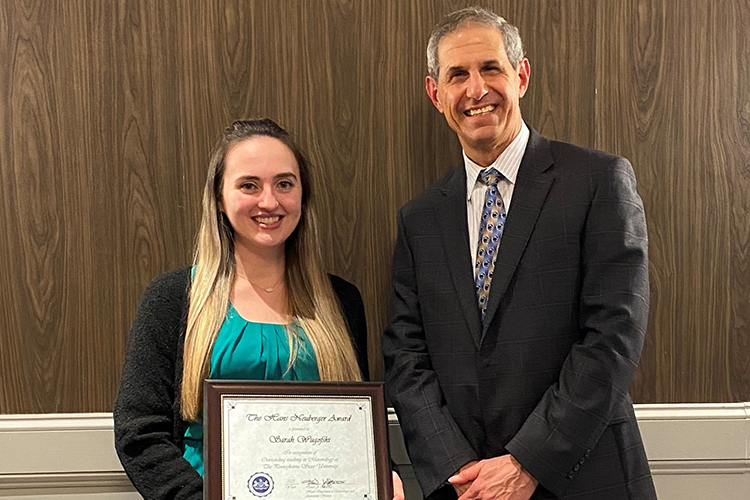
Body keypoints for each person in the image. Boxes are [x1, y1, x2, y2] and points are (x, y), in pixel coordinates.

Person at [383, 7, 655, 500]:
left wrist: (527, 462)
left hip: (585, 478)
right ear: (435, 93)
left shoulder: (597, 183)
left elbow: (613, 336)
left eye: (491, 68)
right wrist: (460, 468)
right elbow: (406, 355)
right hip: (466, 489)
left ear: (521, 75)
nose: (476, 89)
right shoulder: (419, 219)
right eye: (457, 75)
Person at [114, 118, 404, 499]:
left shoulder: (341, 301)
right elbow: (139, 431)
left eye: (284, 184)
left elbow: (356, 423)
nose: (269, 201)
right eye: (249, 185)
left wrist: (385, 474)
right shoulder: (173, 299)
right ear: (219, 197)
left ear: (302, 195)